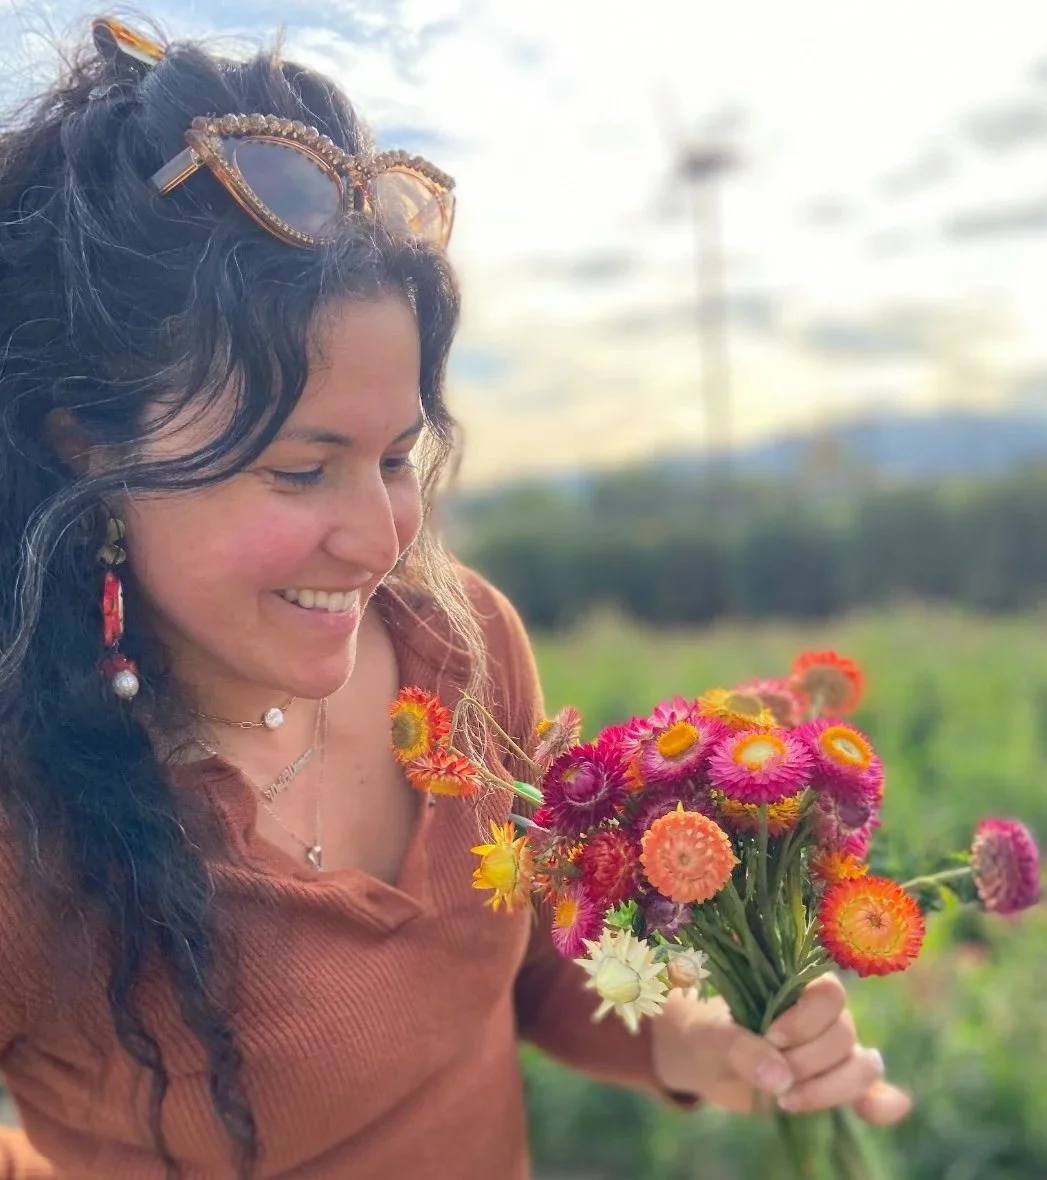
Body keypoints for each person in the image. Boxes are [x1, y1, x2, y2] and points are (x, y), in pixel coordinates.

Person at [0, 15, 911, 1179]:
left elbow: (523, 970)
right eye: (300, 469)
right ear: (87, 451)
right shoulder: (29, 825)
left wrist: (702, 1043)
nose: (383, 538)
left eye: (396, 456)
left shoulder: (463, 647)